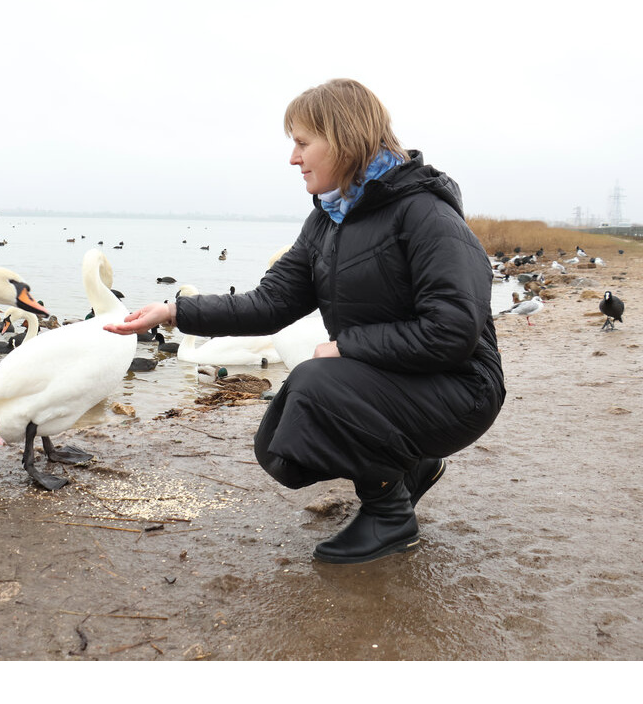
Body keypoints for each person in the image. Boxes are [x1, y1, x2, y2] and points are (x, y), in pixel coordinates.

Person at [105, 78, 505, 565]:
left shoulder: (425, 214)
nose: (293, 158)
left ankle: (389, 515)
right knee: (284, 433)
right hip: (403, 381)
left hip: (463, 389)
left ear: (343, 139)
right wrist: (175, 312)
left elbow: (453, 330)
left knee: (318, 384)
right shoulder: (326, 222)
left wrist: (349, 346)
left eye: (302, 143)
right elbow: (270, 303)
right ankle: (412, 467)